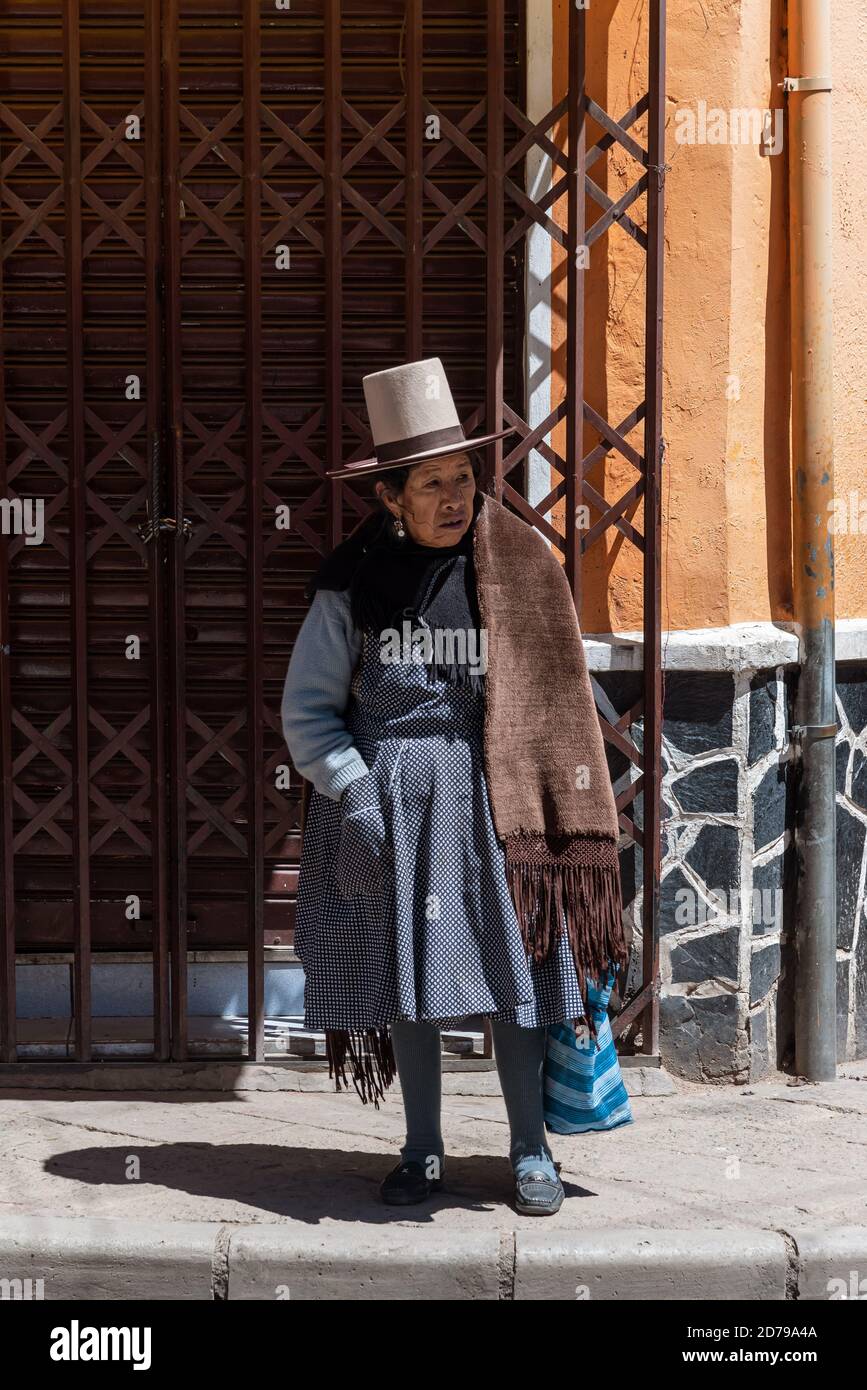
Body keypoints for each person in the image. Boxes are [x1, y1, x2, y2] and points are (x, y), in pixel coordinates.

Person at [281, 358, 627, 1216]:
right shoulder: (351, 580)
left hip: (496, 799)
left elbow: (556, 690)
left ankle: (528, 1152)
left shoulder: (515, 565)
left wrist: (562, 777)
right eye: (429, 483)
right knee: (411, 985)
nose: (452, 497)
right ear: (390, 496)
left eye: (463, 478)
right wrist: (353, 792)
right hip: (389, 803)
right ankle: (422, 1150)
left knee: (521, 977)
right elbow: (309, 711)